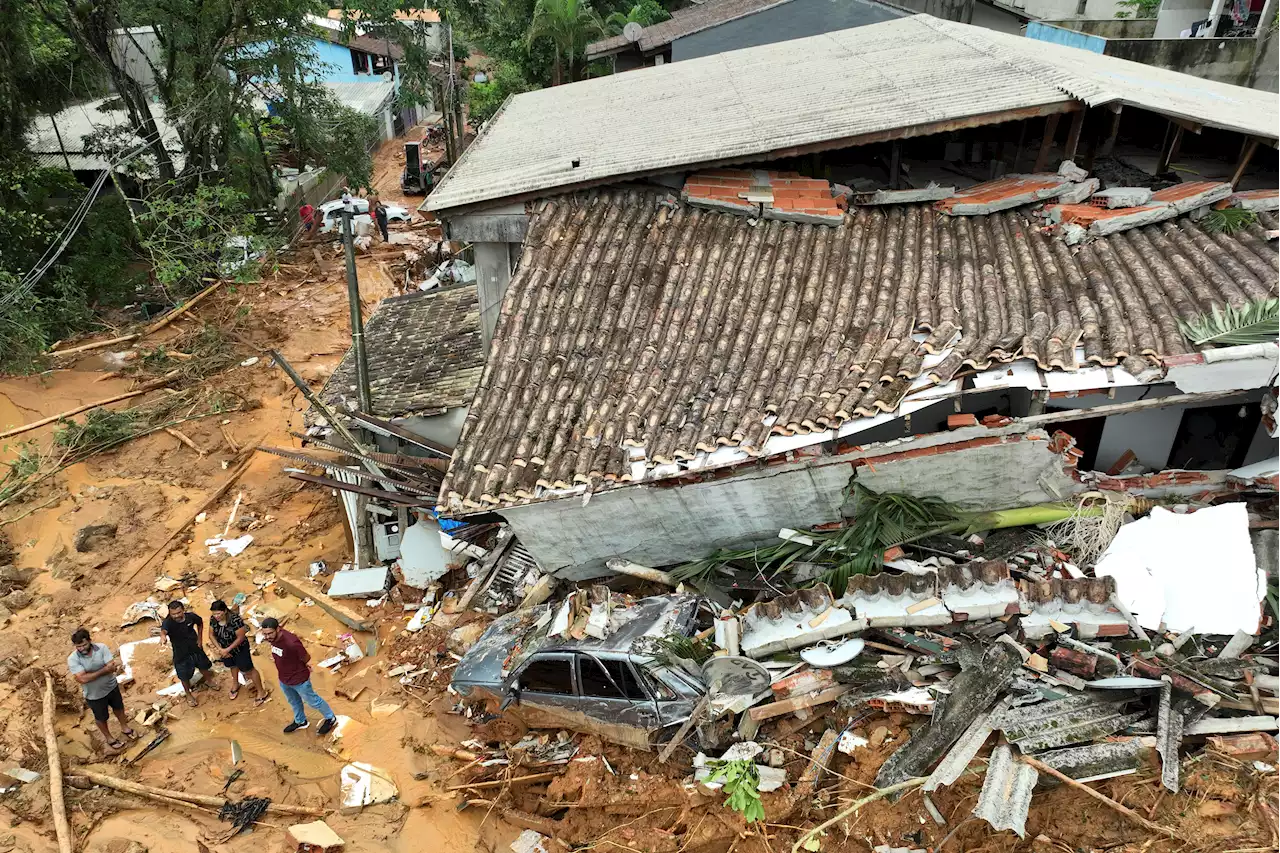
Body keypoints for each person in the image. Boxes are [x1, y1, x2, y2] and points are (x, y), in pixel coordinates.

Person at [260, 617, 337, 735]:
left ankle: (330, 717)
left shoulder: (291, 643)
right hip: (284, 678)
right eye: (265, 634)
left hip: (299, 679)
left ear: (278, 629)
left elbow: (306, 657)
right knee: (293, 701)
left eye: (270, 633)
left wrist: (303, 666)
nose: (267, 637)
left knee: (313, 701)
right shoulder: (272, 639)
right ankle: (300, 721)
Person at [67, 629, 135, 751]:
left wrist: (90, 674)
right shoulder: (73, 659)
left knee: (119, 708)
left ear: (89, 641)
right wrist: (103, 670)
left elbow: (112, 667)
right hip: (94, 695)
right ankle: (109, 738)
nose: (82, 648)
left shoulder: (101, 648)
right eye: (78, 646)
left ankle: (125, 727)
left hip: (111, 686)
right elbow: (82, 679)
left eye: (84, 645)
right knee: (101, 718)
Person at [209, 600, 267, 704]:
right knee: (232, 666)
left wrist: (227, 649)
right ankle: (236, 683)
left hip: (239, 649)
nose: (216, 616)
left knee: (249, 670)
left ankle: (261, 692)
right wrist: (220, 649)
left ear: (225, 611)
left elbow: (240, 637)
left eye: (218, 613)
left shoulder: (235, 620)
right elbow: (211, 634)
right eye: (214, 613)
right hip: (224, 649)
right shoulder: (213, 619)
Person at [161, 601, 216, 707]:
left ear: (183, 610)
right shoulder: (168, 623)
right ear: (170, 613)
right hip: (181, 653)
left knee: (203, 666)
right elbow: (164, 631)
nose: (176, 616)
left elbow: (200, 623)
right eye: (173, 614)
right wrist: (163, 637)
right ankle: (188, 694)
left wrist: (200, 639)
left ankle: (209, 681)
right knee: (184, 676)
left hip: (195, 647)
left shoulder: (191, 617)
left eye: (179, 612)